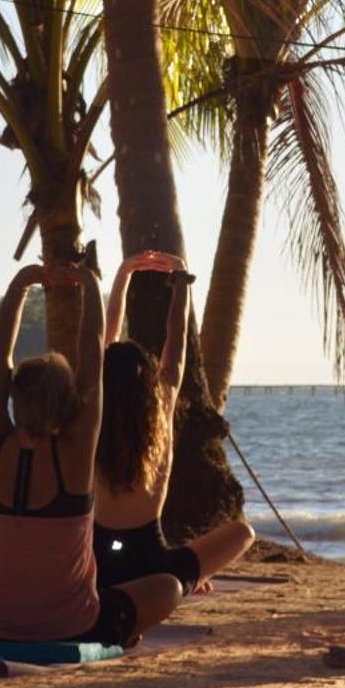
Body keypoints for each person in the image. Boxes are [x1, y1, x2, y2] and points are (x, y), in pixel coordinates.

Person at [0, 260, 181, 645]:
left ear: (15, 396)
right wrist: (89, 283)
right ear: (67, 404)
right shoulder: (76, 455)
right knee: (168, 588)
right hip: (71, 629)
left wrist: (20, 285)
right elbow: (94, 351)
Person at [92, 250, 255, 593]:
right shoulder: (161, 413)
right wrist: (180, 280)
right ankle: (188, 579)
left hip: (96, 564)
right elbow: (176, 338)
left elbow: (102, 339)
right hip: (151, 565)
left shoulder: (92, 416)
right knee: (243, 533)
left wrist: (123, 274)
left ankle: (184, 579)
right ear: (147, 382)